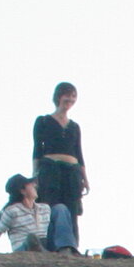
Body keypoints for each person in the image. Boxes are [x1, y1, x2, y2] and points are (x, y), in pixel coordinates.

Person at [31, 82, 87, 254]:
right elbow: (37, 150)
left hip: (72, 170)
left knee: (72, 209)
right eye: (67, 95)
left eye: (73, 96)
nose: (70, 99)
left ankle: (71, 246)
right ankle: (51, 245)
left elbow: (79, 152)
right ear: (58, 97)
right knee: (49, 206)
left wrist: (85, 178)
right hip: (50, 168)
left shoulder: (75, 126)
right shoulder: (43, 121)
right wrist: (35, 175)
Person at [0, 175, 51, 254]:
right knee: (31, 239)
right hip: (23, 247)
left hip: (43, 243)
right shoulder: (12, 211)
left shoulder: (45, 208)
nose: (34, 185)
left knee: (60, 209)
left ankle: (59, 249)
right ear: (22, 191)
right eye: (30, 184)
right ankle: (35, 248)